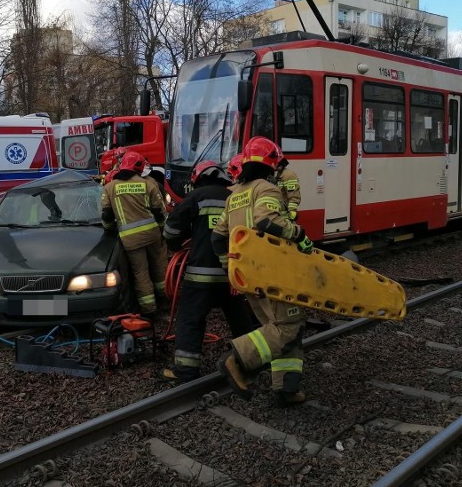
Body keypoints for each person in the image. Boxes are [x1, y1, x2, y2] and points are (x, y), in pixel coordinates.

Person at [211, 136, 313, 408]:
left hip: (248, 276)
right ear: (271, 164)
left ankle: (286, 389)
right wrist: (299, 234)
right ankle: (238, 360)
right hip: (272, 274)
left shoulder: (234, 195)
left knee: (277, 327)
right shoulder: (266, 188)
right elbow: (266, 221)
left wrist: (229, 265)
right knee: (289, 325)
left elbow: (217, 237)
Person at [159, 161, 254, 383]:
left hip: (200, 276)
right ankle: (251, 361)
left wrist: (180, 244)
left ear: (197, 178)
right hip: (234, 275)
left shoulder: (197, 197)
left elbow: (171, 230)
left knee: (190, 319)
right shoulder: (236, 196)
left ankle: (186, 371)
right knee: (241, 320)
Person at [101, 151, 168, 317]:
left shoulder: (110, 187)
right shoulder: (148, 184)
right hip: (152, 234)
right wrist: (161, 230)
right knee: (159, 267)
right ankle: (166, 300)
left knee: (140, 273)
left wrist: (110, 229)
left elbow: (107, 216)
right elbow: (159, 212)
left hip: (130, 240)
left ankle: (149, 309)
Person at [273, 157, 303, 224]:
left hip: (284, 217)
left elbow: (294, 196)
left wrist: (292, 213)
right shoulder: (269, 173)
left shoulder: (289, 175)